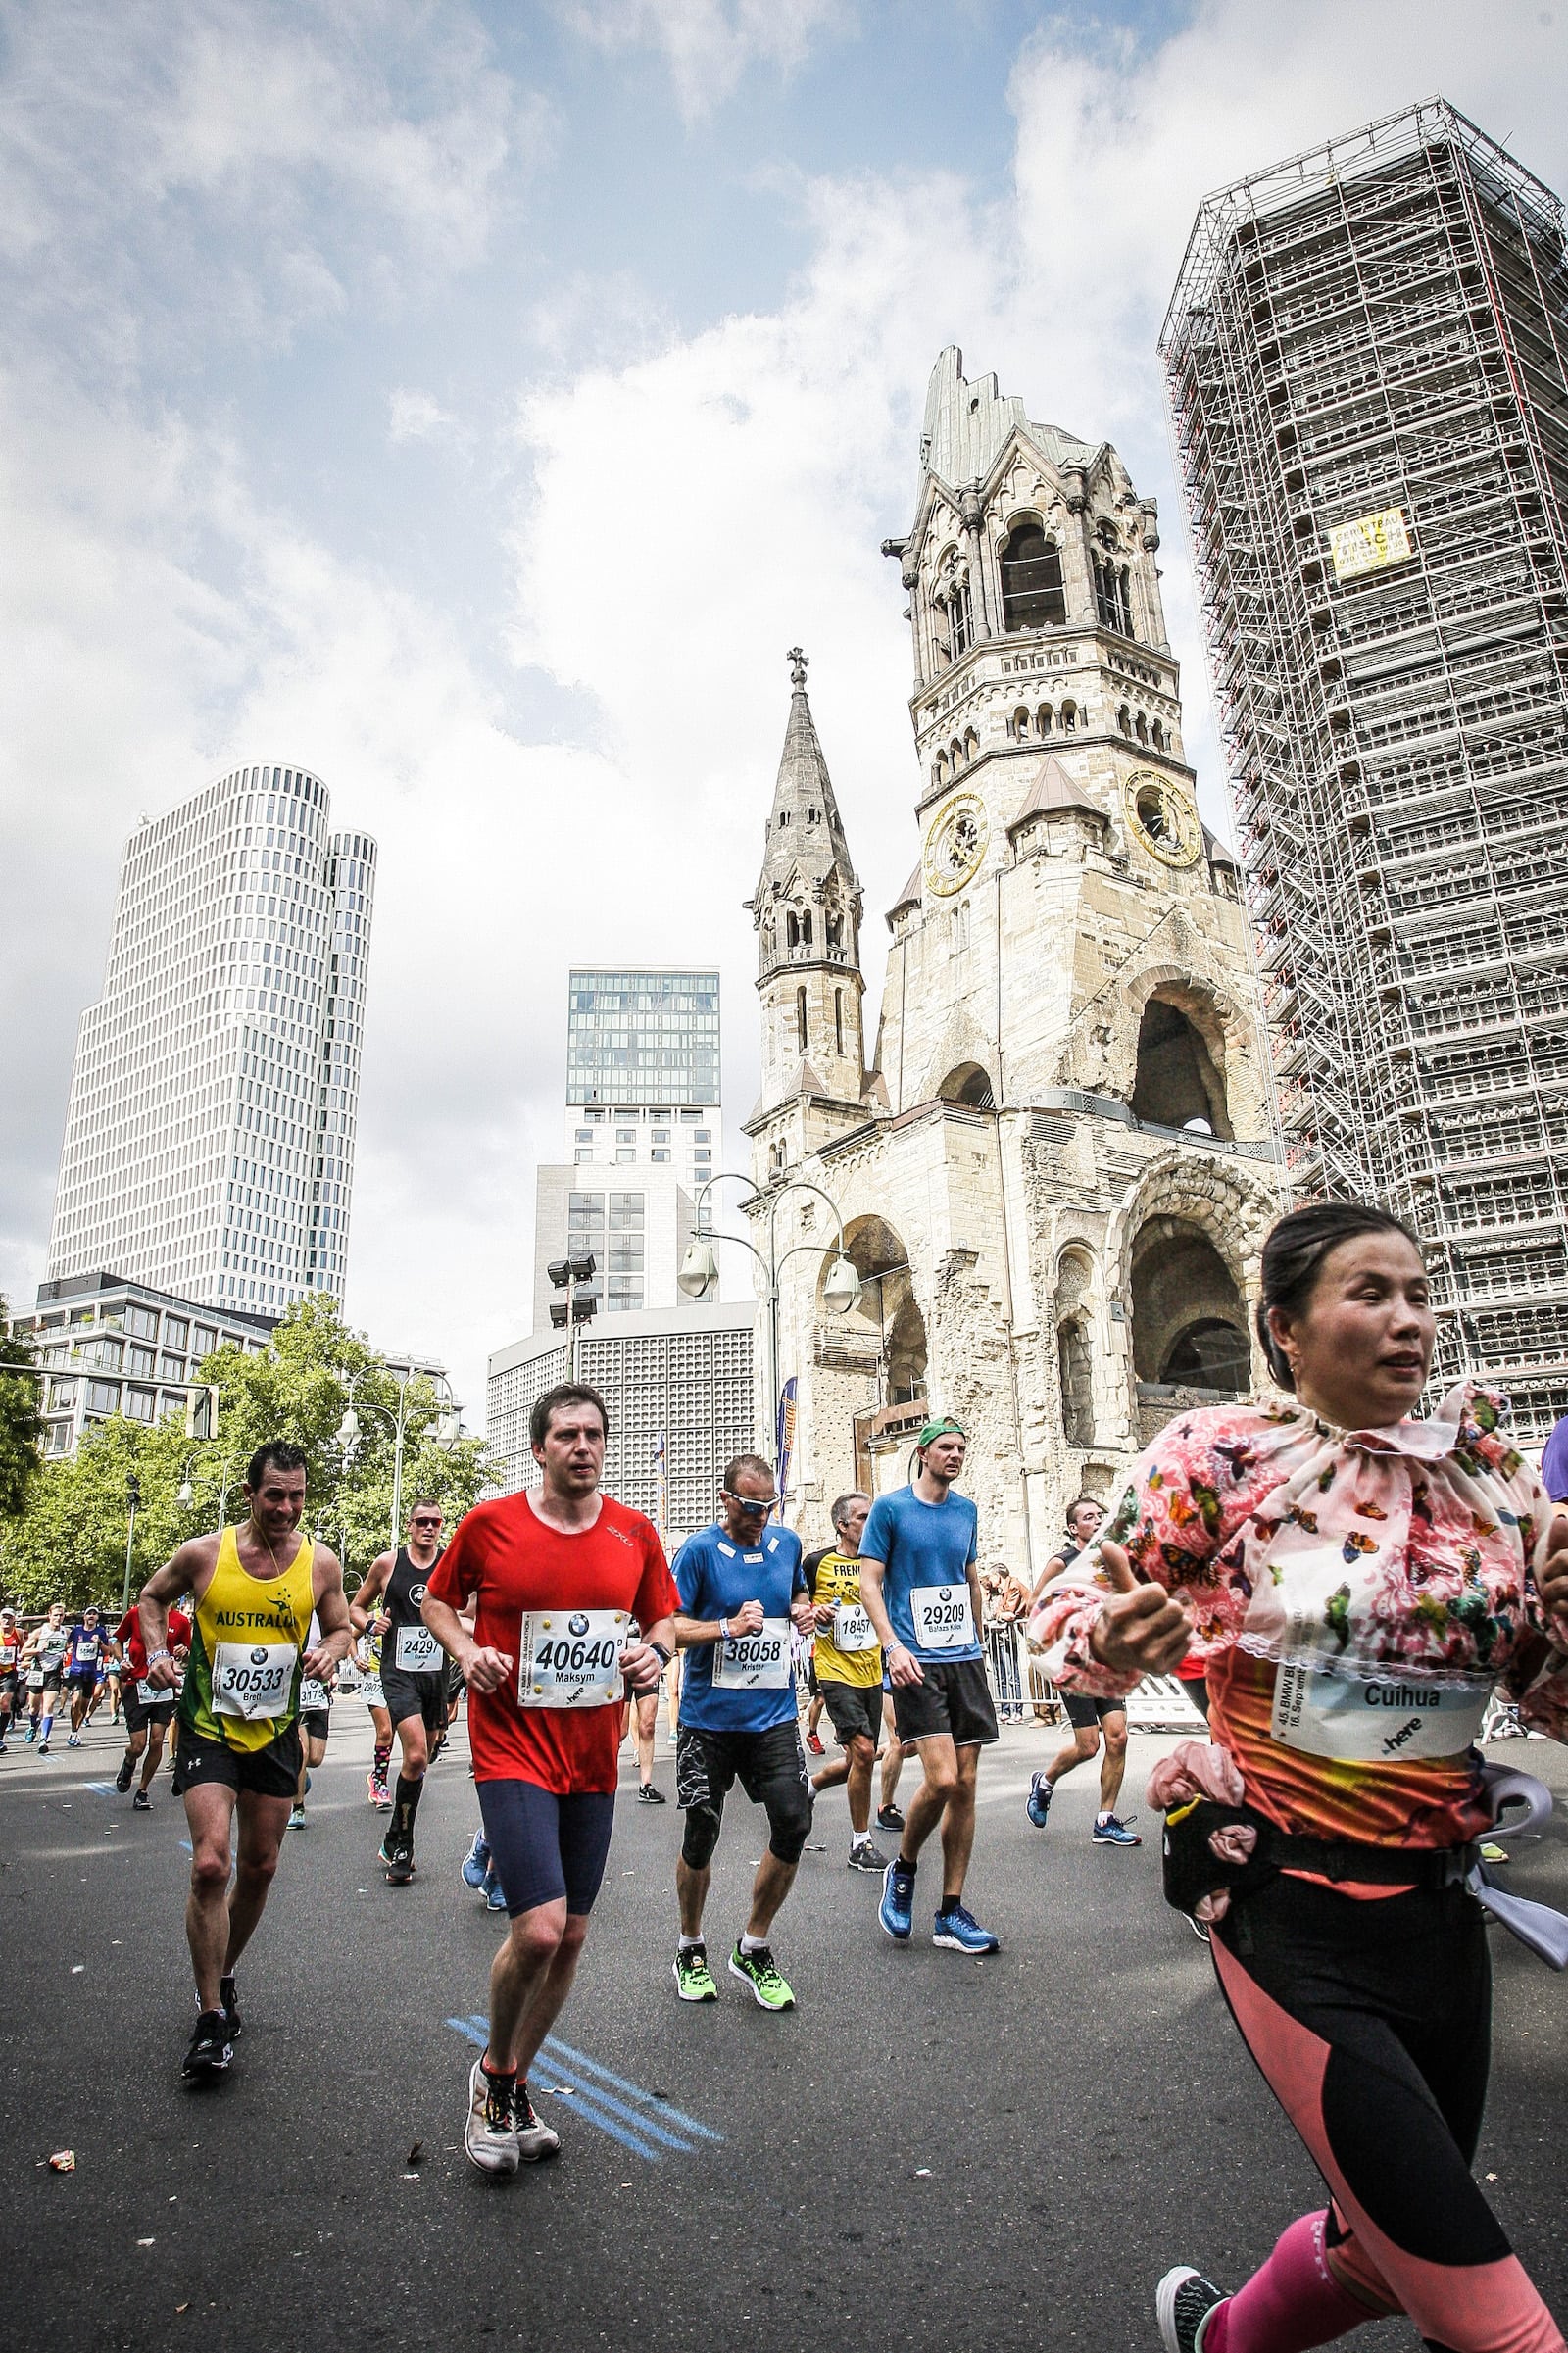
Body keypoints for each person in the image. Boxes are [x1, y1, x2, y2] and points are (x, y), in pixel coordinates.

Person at [1035, 1200, 1568, 2353]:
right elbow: (1065, 1611)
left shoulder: (1489, 1482)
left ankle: (1220, 2338)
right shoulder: (1220, 1459)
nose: (1406, 1322)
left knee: (1380, 2258)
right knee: (1501, 2330)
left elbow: (1548, 1692)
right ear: (1285, 1329)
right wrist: (1114, 1640)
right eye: (1368, 1295)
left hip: (1437, 1911)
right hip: (1287, 1906)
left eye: (1418, 1295)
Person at [422, 1383, 676, 2177]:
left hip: (591, 1758)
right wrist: (468, 1654)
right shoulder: (489, 1525)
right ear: (539, 1447)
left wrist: (653, 1654)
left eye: (595, 1433)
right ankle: (492, 2076)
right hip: (511, 1750)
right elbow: (437, 1602)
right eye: (567, 1434)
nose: (583, 1446)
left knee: (571, 1934)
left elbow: (661, 1618)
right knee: (536, 1926)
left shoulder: (635, 1533)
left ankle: (514, 2081)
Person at [138, 1441, 354, 2083]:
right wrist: (155, 1650)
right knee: (212, 1863)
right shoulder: (206, 1554)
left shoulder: (320, 1564)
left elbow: (342, 1626)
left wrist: (333, 1651)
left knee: (259, 1865)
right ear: (249, 1494)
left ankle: (223, 1969)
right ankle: (210, 2015)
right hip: (208, 1728)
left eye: (297, 1495)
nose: (286, 1507)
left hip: (276, 1732)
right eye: (274, 1495)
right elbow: (152, 1599)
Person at [670, 1454, 817, 2010]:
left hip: (772, 1717)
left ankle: (753, 1946)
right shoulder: (700, 1552)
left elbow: (796, 1593)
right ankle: (690, 1945)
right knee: (701, 1836)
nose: (762, 1516)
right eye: (752, 1506)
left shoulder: (786, 1545)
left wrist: (805, 1612)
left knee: (793, 1820)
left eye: (769, 1506)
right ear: (726, 1500)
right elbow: (670, 1624)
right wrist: (726, 1627)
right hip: (708, 1723)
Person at [858, 1417, 1000, 1953]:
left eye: (962, 1448)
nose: (956, 1455)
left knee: (965, 1784)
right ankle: (905, 1867)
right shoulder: (891, 1508)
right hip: (914, 1656)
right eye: (946, 1447)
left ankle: (950, 1912)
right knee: (939, 1779)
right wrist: (891, 1645)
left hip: (963, 1657)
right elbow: (871, 1582)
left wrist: (979, 1640)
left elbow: (968, 1578)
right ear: (923, 1453)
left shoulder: (966, 1511)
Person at [1025, 1497, 1140, 1846]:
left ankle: (1105, 1820)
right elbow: (1034, 1604)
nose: (1097, 1521)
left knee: (1117, 1737)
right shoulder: (1063, 1562)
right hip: (1074, 1665)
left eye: (1100, 1516)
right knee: (1088, 1745)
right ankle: (1044, 1783)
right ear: (1074, 1528)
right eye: (1088, 1517)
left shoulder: (1113, 1559)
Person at [350, 1502, 448, 1884]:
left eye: (435, 1522)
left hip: (437, 1675)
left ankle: (392, 1836)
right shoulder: (388, 1564)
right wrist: (371, 1621)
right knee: (417, 1754)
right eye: (421, 1522)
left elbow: (472, 1608)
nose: (428, 1527)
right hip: (398, 1673)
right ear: (409, 1526)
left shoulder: (449, 1563)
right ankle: (403, 1845)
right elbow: (355, 1608)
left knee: (428, 1751)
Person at [805, 1491, 887, 1872]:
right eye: (864, 1517)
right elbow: (798, 1603)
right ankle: (860, 1841)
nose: (871, 1523)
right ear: (843, 1525)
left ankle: (813, 1785)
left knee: (859, 1757)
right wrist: (812, 1612)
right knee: (866, 1752)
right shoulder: (817, 1563)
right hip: (834, 1671)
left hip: (871, 1669)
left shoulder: (880, 1562)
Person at [114, 1596, 193, 1809]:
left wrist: (184, 1651)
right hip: (137, 1683)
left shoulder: (181, 1621)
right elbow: (117, 1640)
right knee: (138, 1745)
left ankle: (142, 1790)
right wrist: (121, 1660)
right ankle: (129, 1761)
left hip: (164, 1687)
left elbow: (187, 1651)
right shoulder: (136, 1614)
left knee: (157, 1741)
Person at [21, 1601, 70, 1750]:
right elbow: (23, 1652)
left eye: (61, 1615)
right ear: (49, 1616)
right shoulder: (40, 1632)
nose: (58, 1618)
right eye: (55, 1615)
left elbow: (69, 1646)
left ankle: (43, 1739)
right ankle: (32, 1725)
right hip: (37, 1671)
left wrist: (69, 1649)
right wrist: (38, 1650)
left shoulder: (66, 1632)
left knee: (48, 1706)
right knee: (33, 1708)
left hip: (53, 1673)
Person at [63, 1606, 111, 1746]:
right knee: (76, 1699)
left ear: (97, 1618)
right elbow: (66, 1644)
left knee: (84, 1704)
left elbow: (108, 1651)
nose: (91, 1616)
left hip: (91, 1673)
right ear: (84, 1617)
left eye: (94, 1614)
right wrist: (67, 1649)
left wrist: (100, 1643)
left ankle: (76, 1730)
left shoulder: (100, 1632)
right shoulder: (76, 1631)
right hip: (76, 1670)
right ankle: (72, 1730)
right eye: (89, 1614)